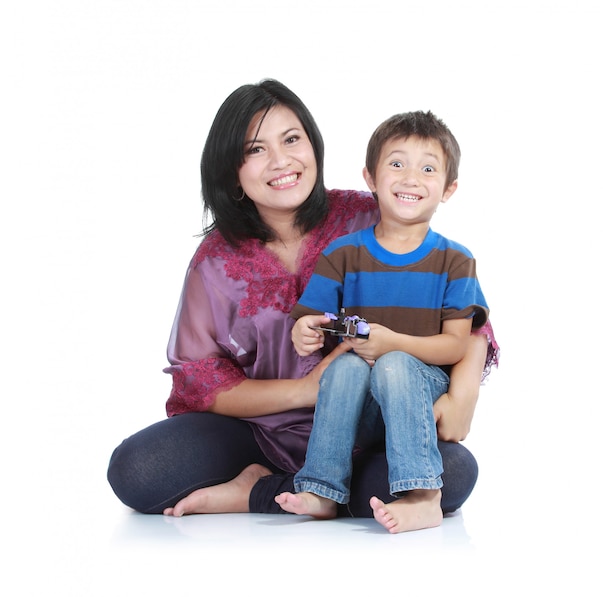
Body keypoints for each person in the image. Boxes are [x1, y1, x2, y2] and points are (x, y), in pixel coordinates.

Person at [106, 79, 499, 519]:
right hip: (256, 432)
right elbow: (202, 379)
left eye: (292, 139)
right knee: (136, 471)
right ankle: (287, 484)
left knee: (454, 473)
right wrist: (304, 390)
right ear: (230, 170)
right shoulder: (214, 261)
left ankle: (265, 493)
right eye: (255, 149)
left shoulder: (368, 216)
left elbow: (469, 320)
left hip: (366, 432)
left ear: (313, 146)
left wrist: (463, 396)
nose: (281, 161)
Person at [275, 110, 489, 533]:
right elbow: (311, 318)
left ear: (448, 189)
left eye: (428, 168)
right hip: (358, 407)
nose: (411, 178)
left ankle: (424, 496)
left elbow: (455, 346)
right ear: (370, 177)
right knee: (346, 364)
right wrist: (304, 330)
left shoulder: (455, 261)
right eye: (396, 164)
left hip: (419, 393)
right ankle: (322, 489)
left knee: (393, 364)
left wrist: (394, 343)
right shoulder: (344, 253)